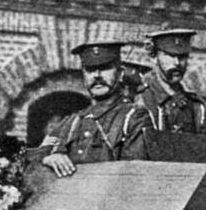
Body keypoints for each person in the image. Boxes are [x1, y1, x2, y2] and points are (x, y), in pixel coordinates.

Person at [42, 40, 152, 177]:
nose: (97, 75)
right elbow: (37, 157)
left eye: (105, 68)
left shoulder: (133, 117)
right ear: (84, 74)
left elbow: (133, 175)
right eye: (90, 70)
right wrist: (50, 158)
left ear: (120, 73)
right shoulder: (73, 121)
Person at [134, 28, 206, 136]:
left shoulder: (197, 107)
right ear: (154, 57)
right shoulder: (141, 102)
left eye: (182, 57)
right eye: (170, 56)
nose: (176, 63)